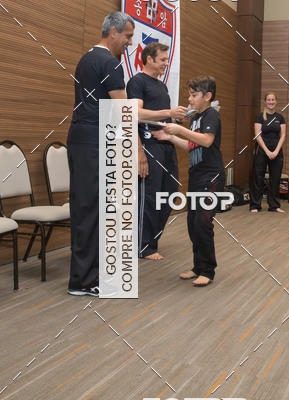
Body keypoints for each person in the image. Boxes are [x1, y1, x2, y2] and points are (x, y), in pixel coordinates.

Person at [67, 12, 142, 297]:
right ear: (113, 32)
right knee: (91, 211)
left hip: (81, 140)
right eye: (128, 36)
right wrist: (138, 148)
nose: (130, 42)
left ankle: (87, 277)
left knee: (88, 209)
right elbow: (123, 111)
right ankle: (82, 282)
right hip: (93, 143)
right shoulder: (110, 62)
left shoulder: (86, 59)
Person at [152, 76, 224, 287]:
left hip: (211, 176)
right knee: (193, 224)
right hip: (196, 177)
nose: (189, 99)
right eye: (189, 95)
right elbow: (192, 146)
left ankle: (208, 270)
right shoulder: (196, 118)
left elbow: (207, 141)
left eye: (194, 95)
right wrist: (170, 138)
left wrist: (180, 130)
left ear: (207, 96)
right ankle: (198, 267)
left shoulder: (211, 115)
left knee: (203, 223)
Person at [126, 42, 188, 260]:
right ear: (149, 59)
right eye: (162, 59)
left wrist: (175, 119)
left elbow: (162, 117)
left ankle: (152, 240)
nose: (166, 63)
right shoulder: (137, 81)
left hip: (166, 146)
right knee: (150, 197)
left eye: (167, 59)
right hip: (148, 144)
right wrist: (168, 112)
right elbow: (135, 113)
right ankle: (143, 246)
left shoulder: (162, 86)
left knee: (169, 193)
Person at [249, 92, 287, 213]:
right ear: (265, 102)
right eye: (269, 100)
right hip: (261, 150)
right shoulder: (260, 117)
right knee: (258, 177)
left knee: (275, 178)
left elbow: (283, 135)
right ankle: (255, 205)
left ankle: (274, 205)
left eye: (273, 100)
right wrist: (267, 151)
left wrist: (276, 151)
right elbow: (257, 135)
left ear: (276, 101)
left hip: (276, 151)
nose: (271, 102)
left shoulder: (280, 118)